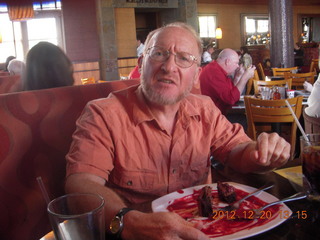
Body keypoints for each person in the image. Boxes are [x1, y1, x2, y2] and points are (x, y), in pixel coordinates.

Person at [65, 22, 290, 240]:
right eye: (159, 54)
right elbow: (81, 186)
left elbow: (236, 150)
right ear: (142, 62)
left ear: (196, 74)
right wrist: (128, 222)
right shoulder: (103, 114)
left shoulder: (205, 109)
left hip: (208, 228)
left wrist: (262, 153)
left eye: (183, 58)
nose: (169, 66)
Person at [199, 48, 255, 114]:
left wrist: (237, 77)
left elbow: (231, 92)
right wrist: (245, 78)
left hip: (220, 112)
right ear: (227, 62)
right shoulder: (214, 73)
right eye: (236, 63)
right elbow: (231, 99)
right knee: (252, 119)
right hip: (214, 116)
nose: (237, 66)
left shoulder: (216, 69)